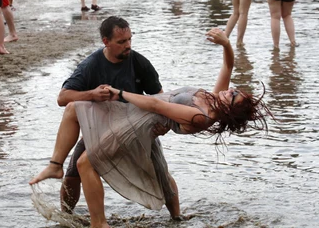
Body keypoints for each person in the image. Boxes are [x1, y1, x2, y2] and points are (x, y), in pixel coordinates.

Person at [30, 26, 271, 227]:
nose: (231, 90)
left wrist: (120, 93)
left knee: (85, 163)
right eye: (235, 90)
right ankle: (56, 166)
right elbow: (228, 67)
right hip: (140, 116)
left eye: (233, 96)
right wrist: (226, 44)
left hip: (140, 123)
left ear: (228, 110)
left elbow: (157, 105)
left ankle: (99, 223)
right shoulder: (213, 98)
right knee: (74, 108)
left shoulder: (201, 117)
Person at [48, 16, 181, 220]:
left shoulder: (139, 63)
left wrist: (163, 126)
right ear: (106, 42)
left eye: (129, 39)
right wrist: (91, 94)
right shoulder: (90, 65)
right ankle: (65, 217)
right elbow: (62, 98)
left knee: (161, 173)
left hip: (138, 129)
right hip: (100, 130)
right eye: (121, 42)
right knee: (74, 171)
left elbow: (161, 100)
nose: (127, 45)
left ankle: (177, 218)